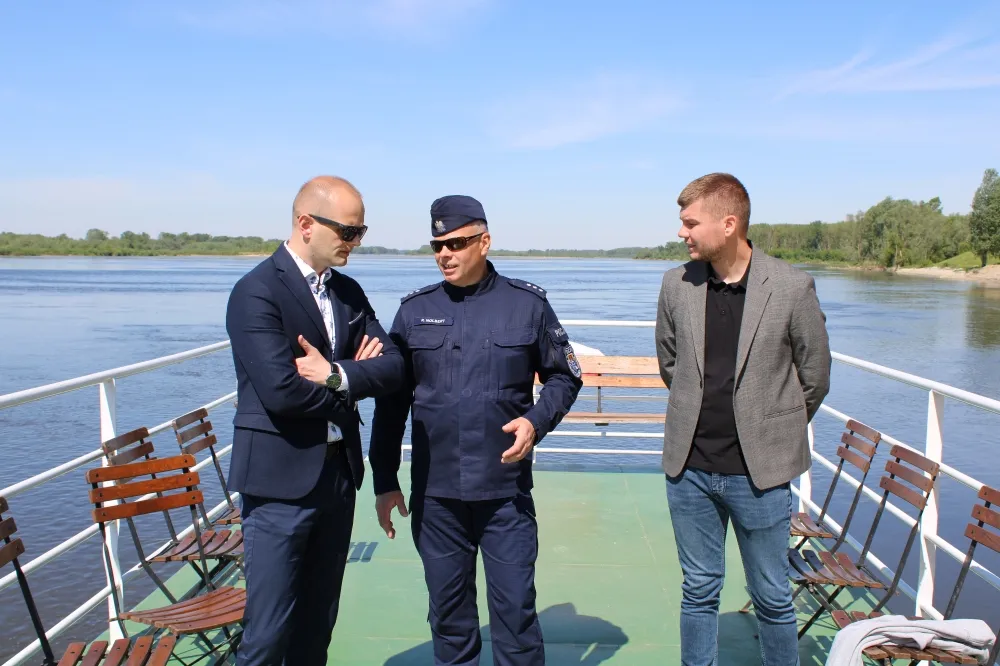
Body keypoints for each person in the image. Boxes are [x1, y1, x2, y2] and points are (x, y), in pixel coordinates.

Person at [369, 195, 583, 666]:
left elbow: (565, 377)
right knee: (449, 620)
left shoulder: (527, 305)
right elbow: (391, 404)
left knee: (516, 617)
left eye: (457, 243)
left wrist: (535, 422)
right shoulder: (413, 312)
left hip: (504, 493)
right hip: (436, 496)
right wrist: (385, 481)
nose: (445, 254)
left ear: (484, 242)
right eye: (437, 246)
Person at [226, 175, 405, 666]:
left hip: (337, 478)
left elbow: (393, 368)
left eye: (360, 232)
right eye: (348, 231)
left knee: (317, 625)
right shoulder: (256, 292)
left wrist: (334, 375)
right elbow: (281, 392)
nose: (355, 242)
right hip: (278, 485)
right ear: (306, 224)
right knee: (267, 635)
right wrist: (352, 386)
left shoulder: (347, 293)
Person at [654, 173, 832, 666]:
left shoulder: (791, 287)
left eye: (691, 223)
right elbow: (670, 363)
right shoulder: (676, 285)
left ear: (729, 224)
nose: (682, 232)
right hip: (689, 470)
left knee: (772, 595)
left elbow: (815, 375)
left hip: (760, 474)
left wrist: (771, 428)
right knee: (698, 589)